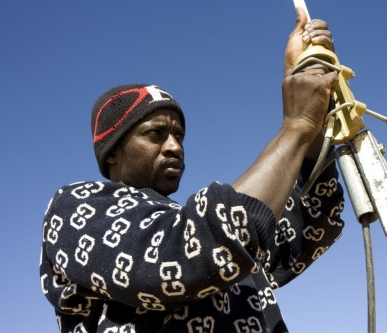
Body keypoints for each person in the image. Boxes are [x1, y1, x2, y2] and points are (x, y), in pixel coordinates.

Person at [40, 9, 344, 333]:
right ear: (112, 152)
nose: (174, 146)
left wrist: (311, 115)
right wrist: (297, 126)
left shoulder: (204, 234)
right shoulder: (76, 208)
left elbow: (308, 222)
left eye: (179, 136)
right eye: (155, 134)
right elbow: (179, 262)